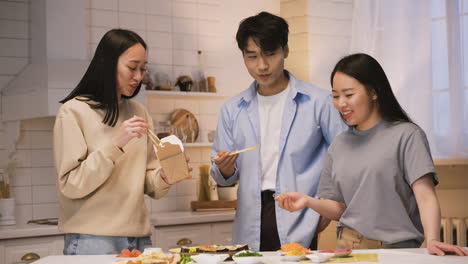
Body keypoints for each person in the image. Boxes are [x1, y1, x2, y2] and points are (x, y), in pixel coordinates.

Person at [275, 53, 468, 256]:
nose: (341, 103)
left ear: (374, 92)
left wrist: (433, 240)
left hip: (396, 252)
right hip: (347, 250)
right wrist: (307, 201)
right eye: (335, 95)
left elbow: (425, 196)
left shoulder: (407, 135)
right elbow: (341, 208)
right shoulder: (339, 144)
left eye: (348, 95)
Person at [210, 12, 347, 251]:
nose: (261, 66)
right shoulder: (233, 109)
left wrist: (327, 205)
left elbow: (345, 158)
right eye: (251, 57)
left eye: (270, 54)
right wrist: (225, 167)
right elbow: (223, 176)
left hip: (300, 214)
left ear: (285, 50)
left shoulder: (319, 102)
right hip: (250, 215)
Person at [53, 29, 191, 255]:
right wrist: (116, 145)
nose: (138, 77)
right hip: (92, 240)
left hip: (139, 237)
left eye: (142, 69)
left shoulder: (139, 112)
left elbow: (147, 182)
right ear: (108, 64)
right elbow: (71, 184)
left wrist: (165, 176)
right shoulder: (73, 112)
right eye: (132, 67)